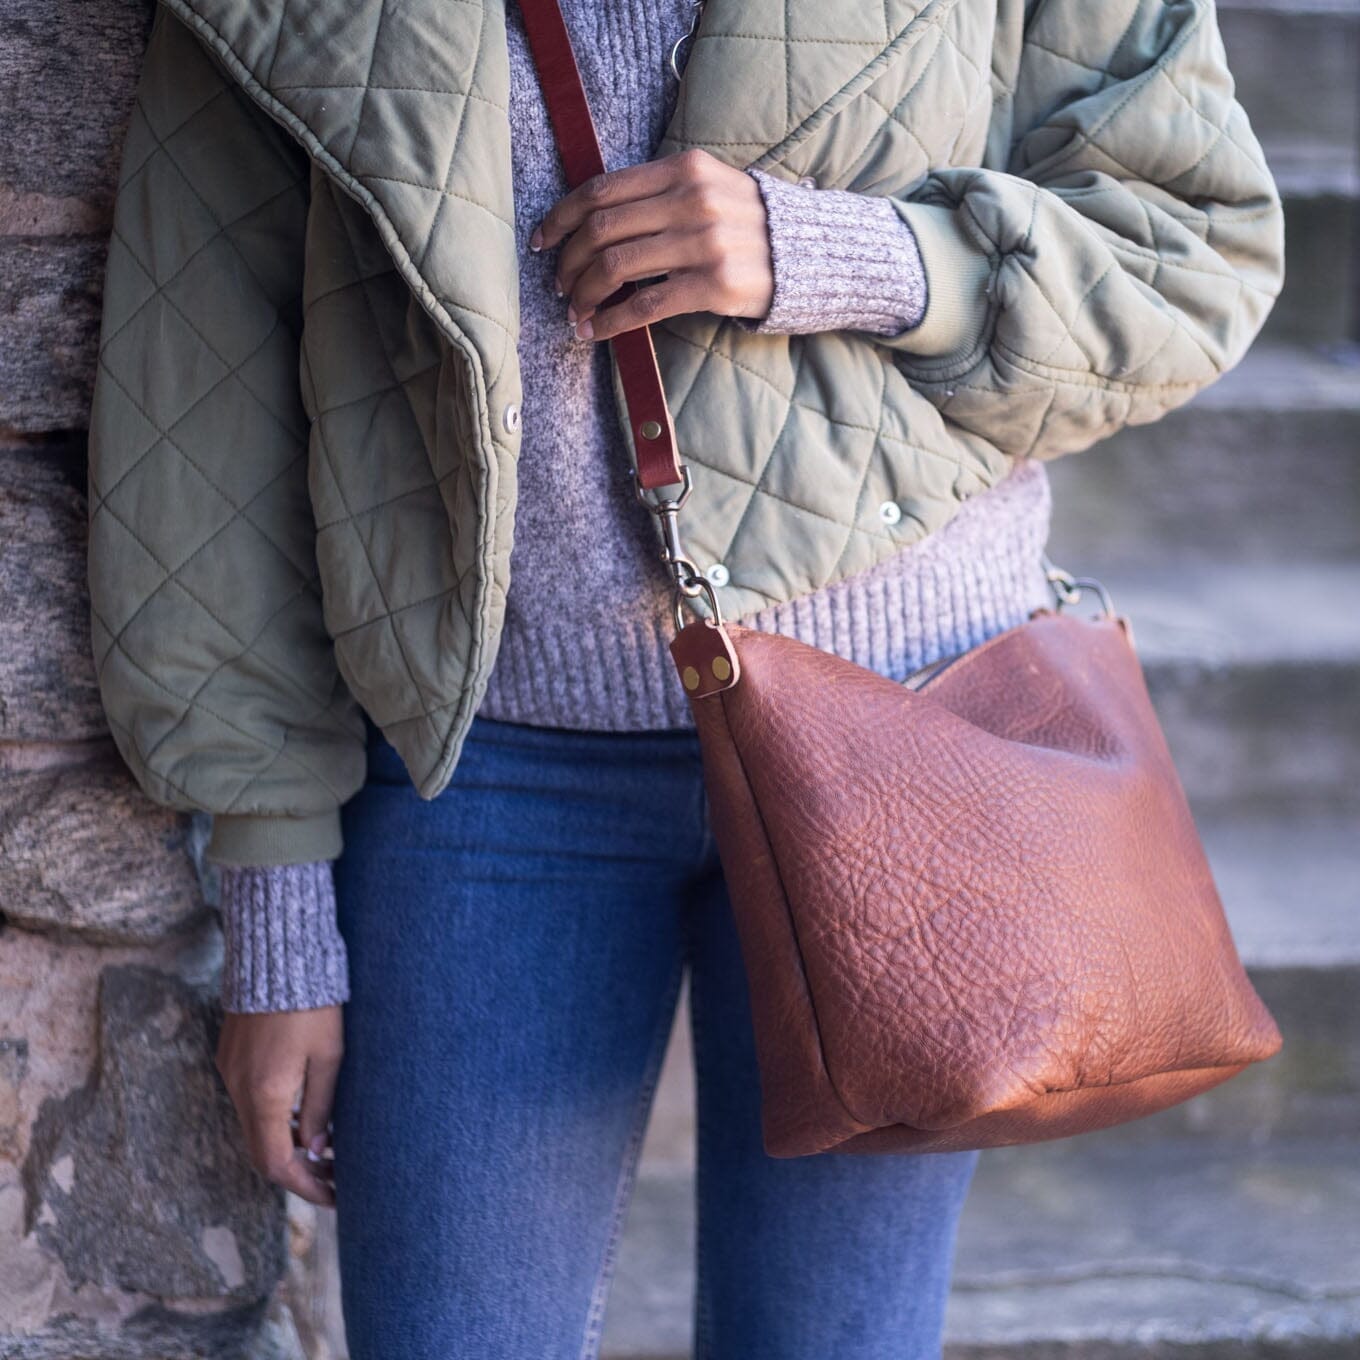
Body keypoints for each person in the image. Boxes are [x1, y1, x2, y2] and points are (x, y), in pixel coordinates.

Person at [87, 0, 1283, 1354]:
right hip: (485, 767)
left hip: (913, 740)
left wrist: (848, 253)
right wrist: (278, 901)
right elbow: (203, 420)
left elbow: (1196, 253)